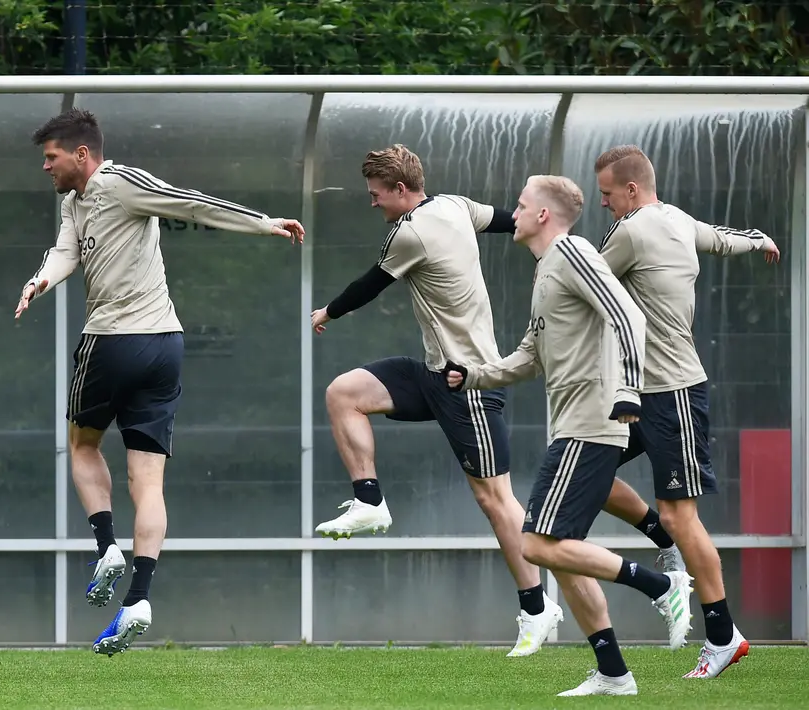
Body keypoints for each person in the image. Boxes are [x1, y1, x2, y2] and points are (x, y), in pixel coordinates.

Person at [15, 108, 305, 655]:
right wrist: (40, 282)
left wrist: (262, 222)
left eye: (51, 158)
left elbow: (189, 202)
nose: (46, 168)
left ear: (82, 154)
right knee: (148, 480)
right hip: (164, 346)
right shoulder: (74, 203)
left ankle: (106, 547)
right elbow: (66, 253)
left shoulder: (120, 181)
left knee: (81, 444)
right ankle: (139, 599)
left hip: (112, 342)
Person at [310, 144, 564, 658]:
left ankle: (538, 609)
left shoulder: (411, 231)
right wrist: (542, 228)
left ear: (400, 191)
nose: (373, 203)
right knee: (345, 393)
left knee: (496, 501)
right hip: (432, 373)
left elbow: (369, 287)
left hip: (466, 384)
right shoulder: (455, 206)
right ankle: (369, 501)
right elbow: (505, 219)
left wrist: (327, 313)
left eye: (376, 195)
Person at [445, 175, 695, 697]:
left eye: (519, 205)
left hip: (592, 424)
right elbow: (529, 356)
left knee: (535, 543)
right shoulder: (546, 271)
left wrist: (628, 389)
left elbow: (627, 313)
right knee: (562, 549)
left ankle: (660, 584)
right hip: (573, 425)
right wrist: (473, 375)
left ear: (542, 215)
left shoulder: (573, 250)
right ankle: (612, 673)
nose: (511, 213)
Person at [591, 144, 779, 678]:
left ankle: (723, 637)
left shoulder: (631, 230)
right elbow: (720, 238)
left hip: (670, 392)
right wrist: (758, 238)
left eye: (607, 194)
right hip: (636, 394)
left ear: (631, 190)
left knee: (681, 512)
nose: (604, 203)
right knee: (586, 471)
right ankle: (665, 542)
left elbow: (583, 282)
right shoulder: (675, 218)